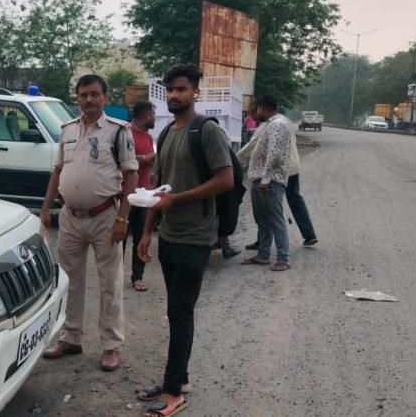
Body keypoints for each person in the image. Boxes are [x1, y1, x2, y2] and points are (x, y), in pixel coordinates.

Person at [134, 64, 234, 416]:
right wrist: (147, 232)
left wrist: (177, 200)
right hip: (170, 235)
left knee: (180, 310)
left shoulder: (207, 130)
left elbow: (225, 180)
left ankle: (173, 392)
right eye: (170, 90)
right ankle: (181, 378)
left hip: (196, 236)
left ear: (195, 92)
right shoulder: (165, 133)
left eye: (181, 89)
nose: (174, 95)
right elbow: (158, 188)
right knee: (175, 309)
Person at [40, 74, 139, 371]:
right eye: (83, 95)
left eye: (95, 94)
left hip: (105, 216)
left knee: (110, 283)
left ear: (105, 97)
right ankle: (71, 338)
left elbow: (131, 175)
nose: (89, 100)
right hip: (70, 217)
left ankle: (111, 345)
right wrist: (45, 209)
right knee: (69, 280)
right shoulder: (67, 130)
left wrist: (123, 218)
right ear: (77, 98)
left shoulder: (118, 131)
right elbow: (57, 171)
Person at [237, 107, 318, 248]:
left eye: (253, 113)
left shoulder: (269, 124)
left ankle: (268, 245)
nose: (252, 117)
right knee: (295, 199)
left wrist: (235, 159)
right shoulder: (284, 121)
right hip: (293, 166)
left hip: (278, 169)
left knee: (268, 207)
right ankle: (309, 234)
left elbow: (252, 145)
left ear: (261, 110)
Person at [239, 95, 292, 271]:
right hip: (260, 178)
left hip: (269, 181)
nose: (254, 114)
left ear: (263, 108)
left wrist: (266, 179)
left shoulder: (278, 124)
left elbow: (274, 154)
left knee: (275, 220)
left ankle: (283, 259)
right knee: (262, 220)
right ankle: (263, 254)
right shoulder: (270, 124)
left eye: (256, 110)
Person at [125, 100, 156, 292]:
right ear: (146, 115)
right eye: (153, 114)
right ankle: (113, 275)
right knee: (119, 238)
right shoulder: (126, 134)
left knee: (141, 237)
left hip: (144, 195)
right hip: (127, 195)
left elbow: (150, 163)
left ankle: (137, 276)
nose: (154, 118)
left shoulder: (148, 137)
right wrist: (144, 159)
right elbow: (119, 158)